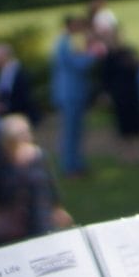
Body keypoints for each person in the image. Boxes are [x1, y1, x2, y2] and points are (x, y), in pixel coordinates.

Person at [0, 113, 71, 244]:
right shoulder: (1, 160)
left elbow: (51, 185)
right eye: (21, 134)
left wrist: (58, 208)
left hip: (41, 215)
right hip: (17, 223)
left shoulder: (39, 156)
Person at [51, 15, 103, 176]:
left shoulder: (68, 41)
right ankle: (70, 166)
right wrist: (93, 54)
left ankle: (77, 163)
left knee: (77, 131)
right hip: (70, 93)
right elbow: (77, 64)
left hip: (75, 92)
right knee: (70, 131)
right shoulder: (65, 43)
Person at [0, 42, 41, 127]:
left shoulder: (20, 73)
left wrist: (4, 107)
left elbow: (24, 98)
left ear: (4, 57)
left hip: (21, 118)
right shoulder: (1, 73)